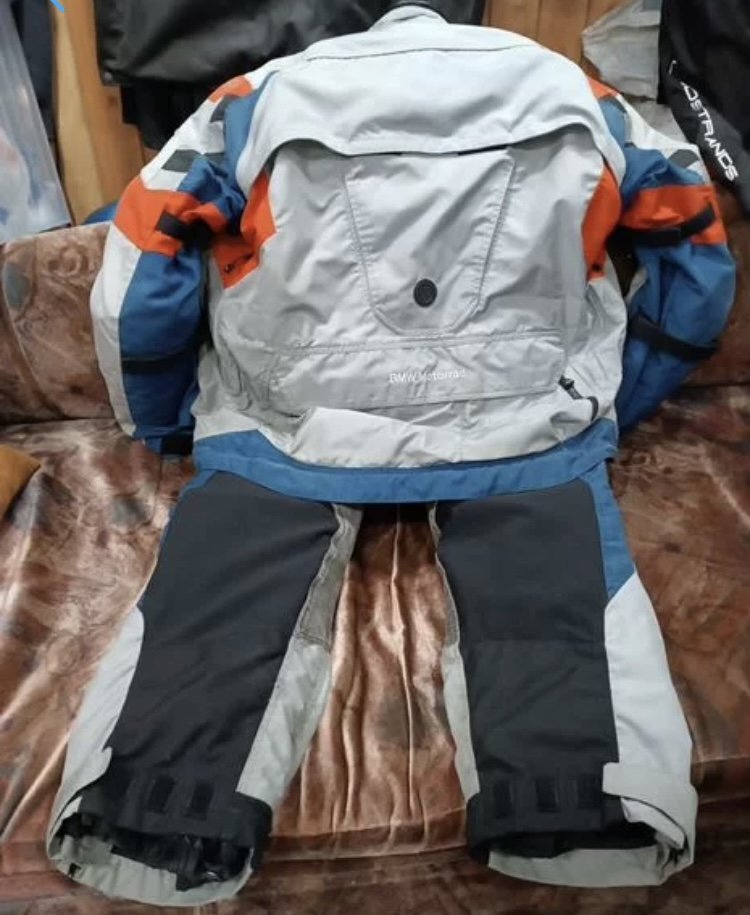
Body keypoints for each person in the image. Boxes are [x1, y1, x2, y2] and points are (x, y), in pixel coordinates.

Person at [47, 2, 734, 905]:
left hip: (291, 430)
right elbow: (696, 250)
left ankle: (148, 813)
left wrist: (164, 419)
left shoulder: (256, 99)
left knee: (221, 598)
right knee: (551, 606)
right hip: (524, 430)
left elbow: (141, 269)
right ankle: (584, 810)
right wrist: (618, 403)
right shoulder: (576, 94)